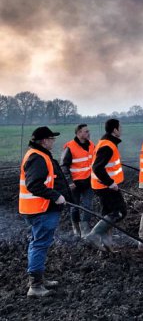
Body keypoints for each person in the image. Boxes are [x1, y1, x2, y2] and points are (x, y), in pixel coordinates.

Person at [19, 126, 69, 297]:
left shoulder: (39, 155)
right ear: (44, 141)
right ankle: (35, 286)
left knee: (38, 243)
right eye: (51, 138)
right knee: (39, 244)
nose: (53, 141)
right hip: (41, 209)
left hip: (40, 208)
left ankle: (38, 279)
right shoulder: (37, 157)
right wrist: (55, 196)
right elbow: (34, 184)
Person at [84, 119, 126, 252]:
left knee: (108, 214)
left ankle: (107, 246)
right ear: (115, 130)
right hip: (105, 186)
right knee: (119, 212)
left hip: (101, 185)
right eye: (120, 127)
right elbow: (97, 167)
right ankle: (93, 235)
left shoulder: (106, 143)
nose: (122, 129)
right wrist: (110, 182)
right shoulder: (107, 145)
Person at [60, 123, 95, 237]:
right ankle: (76, 228)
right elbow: (64, 166)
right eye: (86, 131)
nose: (88, 133)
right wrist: (69, 181)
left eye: (88, 131)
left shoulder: (91, 145)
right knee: (74, 207)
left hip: (88, 182)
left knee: (88, 206)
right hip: (74, 184)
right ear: (79, 133)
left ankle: (85, 230)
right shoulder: (70, 147)